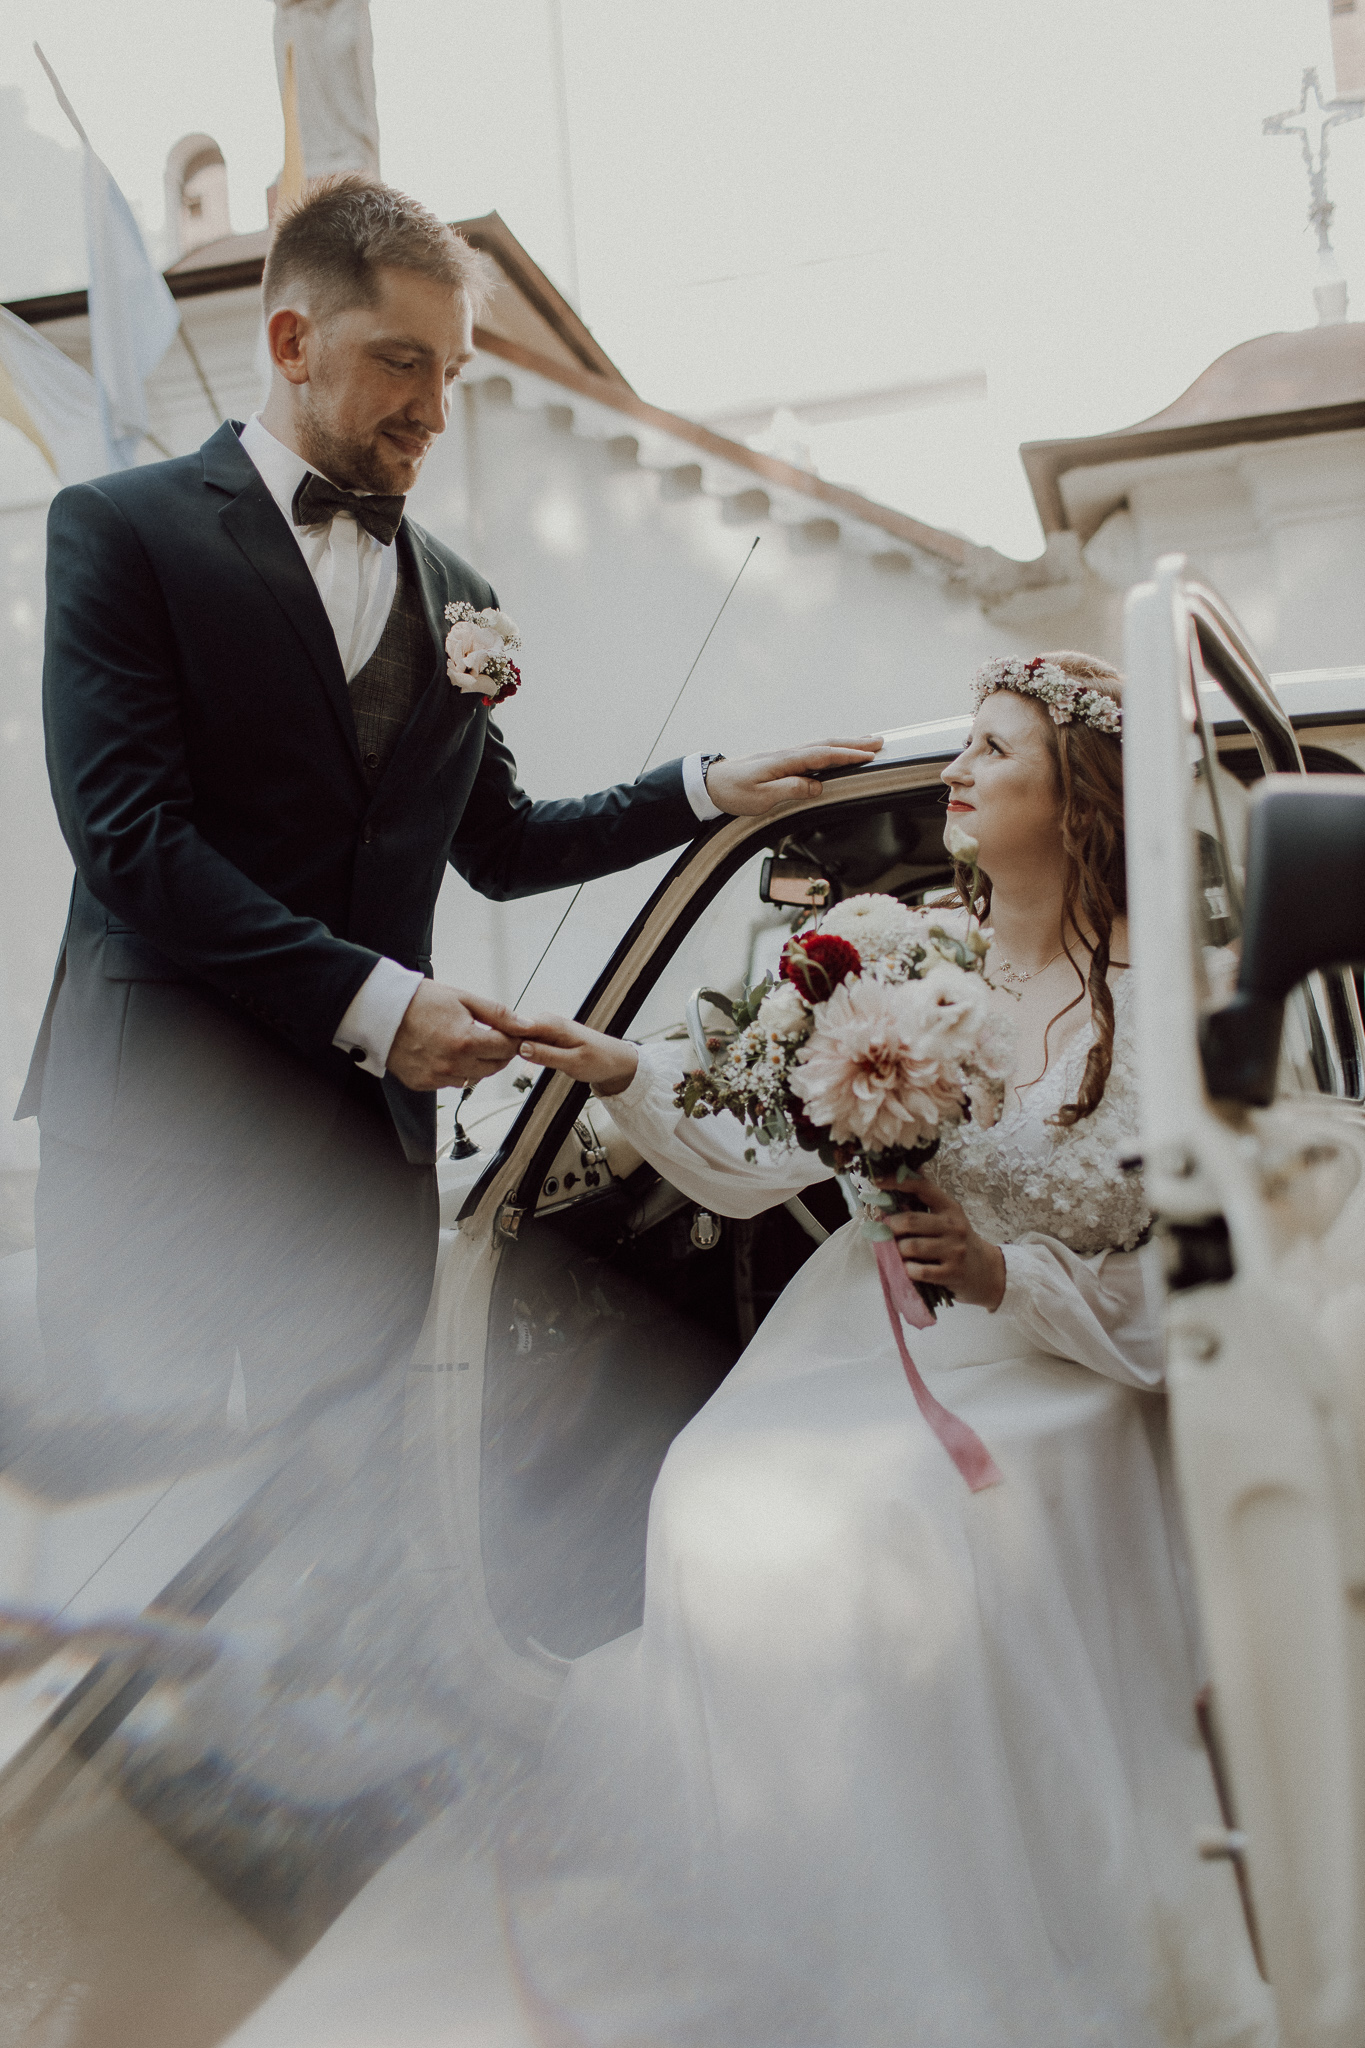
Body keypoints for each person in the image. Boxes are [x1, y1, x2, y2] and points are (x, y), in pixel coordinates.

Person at [14, 173, 880, 1467]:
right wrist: (380, 1005)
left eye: (453, 372)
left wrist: (702, 789)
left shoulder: (456, 593)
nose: (433, 408)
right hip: (163, 1137)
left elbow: (506, 844)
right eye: (400, 362)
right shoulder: (120, 531)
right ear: (292, 342)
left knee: (349, 1500)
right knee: (150, 1510)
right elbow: (128, 842)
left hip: (362, 1157)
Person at [509, 653, 1275, 2047]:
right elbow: (765, 1131)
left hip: (1064, 1362)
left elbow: (1216, 1268)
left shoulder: (1184, 1000)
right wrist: (621, 1066)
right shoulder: (904, 952)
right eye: (963, 745)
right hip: (861, 1329)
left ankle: (975, 1954)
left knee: (891, 1528)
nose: (955, 773)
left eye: (993, 749)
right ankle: (823, 1916)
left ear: (1081, 797)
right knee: (712, 1491)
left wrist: (1003, 1273)